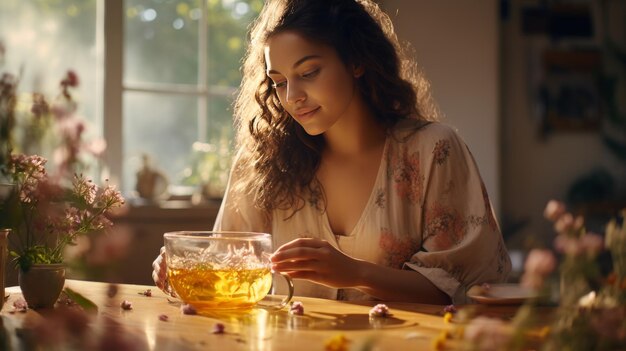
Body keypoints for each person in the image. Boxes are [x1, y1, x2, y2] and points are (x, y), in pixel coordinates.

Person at [153, 0, 511, 304]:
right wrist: (185, 270)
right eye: (278, 82)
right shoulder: (261, 163)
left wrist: (355, 273)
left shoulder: (433, 151)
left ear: (356, 61)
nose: (292, 96)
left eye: (308, 72)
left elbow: (466, 288)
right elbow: (229, 268)